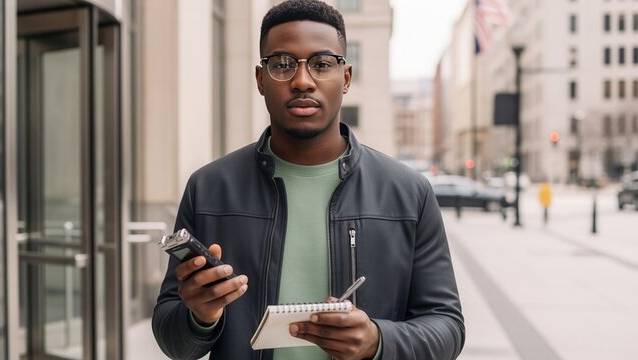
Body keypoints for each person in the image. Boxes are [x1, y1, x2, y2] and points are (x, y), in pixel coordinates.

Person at [152, 0, 465, 359]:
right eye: (283, 64)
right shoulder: (209, 188)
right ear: (260, 79)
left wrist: (378, 341)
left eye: (321, 64)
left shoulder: (408, 193)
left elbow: (447, 326)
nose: (302, 81)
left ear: (345, 78)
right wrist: (200, 317)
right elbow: (173, 339)